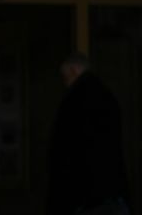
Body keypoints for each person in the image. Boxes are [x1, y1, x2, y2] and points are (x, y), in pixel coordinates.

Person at [47, 53, 129, 215]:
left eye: (66, 77)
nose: (65, 83)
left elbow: (65, 152)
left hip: (83, 196)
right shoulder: (108, 96)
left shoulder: (74, 100)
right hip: (111, 191)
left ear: (74, 70)